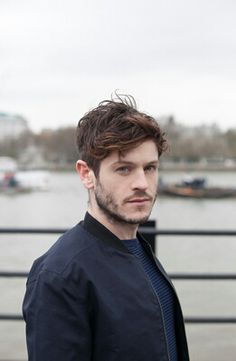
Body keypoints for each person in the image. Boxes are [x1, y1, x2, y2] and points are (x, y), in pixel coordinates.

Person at [23, 95, 189, 361]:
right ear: (86, 174)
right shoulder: (59, 275)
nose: (142, 183)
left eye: (150, 168)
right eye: (124, 169)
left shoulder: (139, 251)